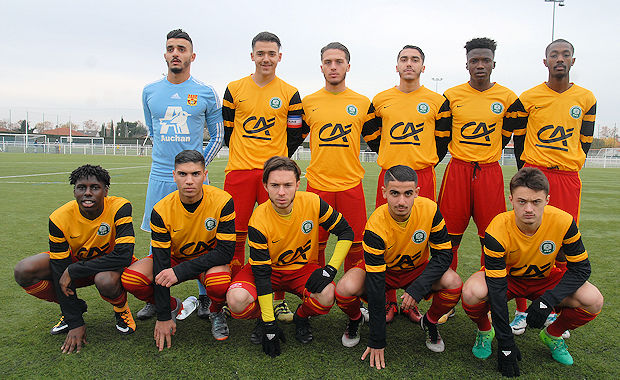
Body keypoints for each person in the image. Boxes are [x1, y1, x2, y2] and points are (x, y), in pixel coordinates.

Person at [461, 167, 603, 376]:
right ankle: (485, 330)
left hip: (545, 280)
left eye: (536, 202)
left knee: (594, 300)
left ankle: (553, 334)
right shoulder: (497, 228)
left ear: (547, 200)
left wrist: (548, 300)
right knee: (472, 292)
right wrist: (505, 340)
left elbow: (581, 269)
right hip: (508, 280)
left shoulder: (564, 222)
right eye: (522, 201)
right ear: (511, 199)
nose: (529, 208)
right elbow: (497, 289)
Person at [334, 165, 461, 369]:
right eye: (394, 193)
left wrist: (418, 288)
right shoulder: (375, 225)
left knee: (454, 282)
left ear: (416, 193)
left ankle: (430, 321)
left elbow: (444, 255)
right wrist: (377, 339)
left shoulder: (430, 210)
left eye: (408, 193)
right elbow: (375, 285)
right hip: (383, 273)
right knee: (344, 288)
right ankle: (356, 318)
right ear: (384, 193)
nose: (401, 201)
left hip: (417, 271)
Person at [226, 156, 354, 358]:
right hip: (267, 271)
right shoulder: (258, 218)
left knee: (327, 295)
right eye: (275, 185)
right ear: (265, 186)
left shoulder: (313, 202)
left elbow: (346, 231)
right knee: (236, 301)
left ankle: (301, 317)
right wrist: (269, 324)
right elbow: (261, 275)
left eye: (288, 185)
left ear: (298, 184)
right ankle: (263, 318)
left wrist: (330, 270)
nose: (282, 192)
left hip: (302, 270)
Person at [510, 39, 597, 335]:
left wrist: (570, 162)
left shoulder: (586, 98)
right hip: (535, 174)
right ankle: (521, 312)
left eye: (565, 55)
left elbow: (585, 139)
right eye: (554, 55)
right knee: (524, 237)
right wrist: (527, 170)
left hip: (567, 176)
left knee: (561, 246)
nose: (560, 59)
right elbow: (519, 137)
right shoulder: (528, 97)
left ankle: (552, 308)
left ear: (573, 60)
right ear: (544, 61)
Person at [139, 28, 224, 320]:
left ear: (192, 55)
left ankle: (204, 298)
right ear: (165, 54)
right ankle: (158, 297)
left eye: (182, 49)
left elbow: (218, 136)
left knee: (204, 238)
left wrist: (197, 169)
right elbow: (153, 130)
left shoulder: (205, 92)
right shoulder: (150, 91)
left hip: (194, 177)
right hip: (160, 177)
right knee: (157, 240)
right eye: (171, 48)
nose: (176, 53)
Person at [222, 31, 304, 322]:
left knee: (276, 235)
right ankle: (230, 290)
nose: (266, 59)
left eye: (271, 54)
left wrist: (276, 161)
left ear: (279, 57)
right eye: (261, 53)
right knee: (234, 236)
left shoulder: (290, 92)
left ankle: (278, 299)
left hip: (272, 175)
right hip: (240, 172)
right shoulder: (234, 88)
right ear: (252, 55)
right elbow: (228, 129)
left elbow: (296, 133)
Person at [366, 45, 451, 323]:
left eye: (415, 60)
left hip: (422, 174)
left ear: (423, 67)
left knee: (421, 235)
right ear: (397, 65)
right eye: (404, 59)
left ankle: (415, 297)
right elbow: (372, 135)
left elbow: (442, 140)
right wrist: (390, 156)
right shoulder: (380, 99)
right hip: (389, 175)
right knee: (386, 233)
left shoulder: (437, 101)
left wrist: (424, 161)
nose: (409, 64)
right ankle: (389, 301)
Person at [14, 164, 137, 354]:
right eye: (81, 188)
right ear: (74, 191)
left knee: (104, 280)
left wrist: (74, 270)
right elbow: (59, 268)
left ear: (105, 191)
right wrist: (74, 321)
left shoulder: (120, 207)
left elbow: (124, 255)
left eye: (94, 187)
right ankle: (72, 308)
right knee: (24, 270)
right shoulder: (59, 217)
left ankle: (121, 310)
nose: (87, 193)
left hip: (110, 266)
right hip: (77, 264)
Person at [121, 150, 235, 349]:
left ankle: (216, 311)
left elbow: (225, 252)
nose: (189, 181)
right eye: (183, 174)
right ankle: (172, 305)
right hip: (173, 259)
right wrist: (164, 315)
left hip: (208, 260)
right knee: (132, 280)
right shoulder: (161, 209)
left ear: (205, 175)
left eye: (195, 174)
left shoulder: (223, 201)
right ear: (174, 175)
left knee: (219, 283)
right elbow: (161, 261)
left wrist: (179, 272)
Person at [438, 37, 525, 271]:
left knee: (492, 240)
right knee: (448, 239)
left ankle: (489, 299)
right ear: (466, 64)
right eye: (474, 60)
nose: (480, 65)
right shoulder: (451, 95)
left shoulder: (507, 98)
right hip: (458, 171)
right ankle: (446, 299)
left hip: (489, 172)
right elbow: (442, 135)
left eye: (485, 60)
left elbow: (511, 133)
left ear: (493, 64)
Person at [301, 41, 375, 280]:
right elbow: (291, 139)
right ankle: (312, 298)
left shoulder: (363, 103)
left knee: (356, 246)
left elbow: (378, 140)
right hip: (317, 186)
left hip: (351, 185)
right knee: (315, 247)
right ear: (321, 67)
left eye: (339, 62)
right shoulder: (308, 103)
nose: (333, 67)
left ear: (348, 66)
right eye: (328, 62)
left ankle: (353, 302)